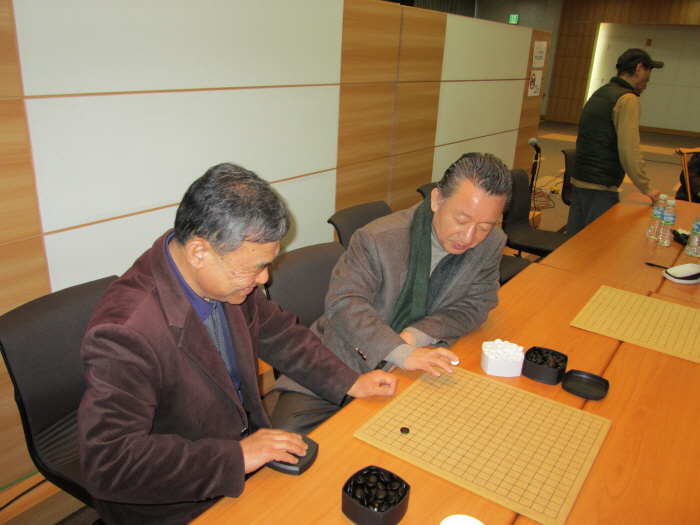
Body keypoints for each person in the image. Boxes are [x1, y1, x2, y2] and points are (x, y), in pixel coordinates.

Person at [77, 163, 398, 525]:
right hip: (179, 500)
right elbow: (110, 462)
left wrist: (350, 381)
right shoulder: (126, 332)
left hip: (244, 452)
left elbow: (281, 334)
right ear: (199, 253)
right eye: (254, 268)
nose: (263, 279)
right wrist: (237, 457)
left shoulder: (222, 278)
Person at [272, 152, 511, 433]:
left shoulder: (492, 243)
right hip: (340, 359)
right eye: (461, 219)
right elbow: (344, 303)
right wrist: (397, 350)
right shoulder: (378, 238)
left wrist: (414, 337)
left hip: (417, 359)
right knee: (291, 443)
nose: (469, 237)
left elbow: (476, 304)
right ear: (437, 199)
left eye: (484, 226)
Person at [566, 48, 663, 236]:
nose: (648, 81)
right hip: (600, 185)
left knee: (574, 243)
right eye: (648, 73)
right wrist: (646, 188)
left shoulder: (601, 92)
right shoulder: (627, 99)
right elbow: (629, 149)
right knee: (599, 244)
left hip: (580, 178)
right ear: (639, 69)